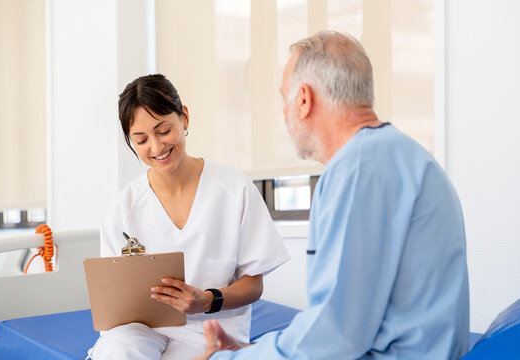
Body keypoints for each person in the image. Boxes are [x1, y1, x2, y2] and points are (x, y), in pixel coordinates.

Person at [194, 31, 470, 360]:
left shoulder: (356, 170)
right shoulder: (406, 156)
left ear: (304, 99)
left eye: (284, 98)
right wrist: (251, 350)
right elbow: (353, 323)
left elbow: (334, 337)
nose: (283, 113)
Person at [87, 74, 290, 359]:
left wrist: (206, 300)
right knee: (118, 350)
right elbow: (113, 301)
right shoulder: (122, 209)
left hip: (208, 330)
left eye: (163, 130)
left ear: (184, 118)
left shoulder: (234, 189)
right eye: (141, 139)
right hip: (140, 330)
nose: (156, 148)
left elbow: (253, 285)